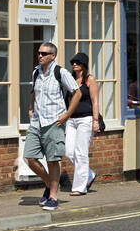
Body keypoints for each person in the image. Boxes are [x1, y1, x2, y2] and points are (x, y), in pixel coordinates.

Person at [25, 41, 81, 211]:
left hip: (54, 122)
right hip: (37, 121)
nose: (40, 56)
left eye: (43, 53)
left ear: (52, 56)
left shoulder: (61, 72)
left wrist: (67, 114)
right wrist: (30, 108)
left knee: (52, 160)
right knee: (29, 158)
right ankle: (50, 184)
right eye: (39, 53)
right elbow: (34, 92)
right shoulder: (36, 72)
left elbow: (77, 93)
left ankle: (53, 197)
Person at [63, 52, 99, 196]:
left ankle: (79, 187)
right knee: (69, 151)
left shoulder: (90, 80)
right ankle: (89, 175)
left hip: (86, 119)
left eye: (78, 62)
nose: (75, 64)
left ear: (84, 64)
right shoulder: (71, 80)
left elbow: (95, 101)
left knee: (81, 152)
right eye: (73, 62)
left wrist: (95, 121)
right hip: (71, 120)